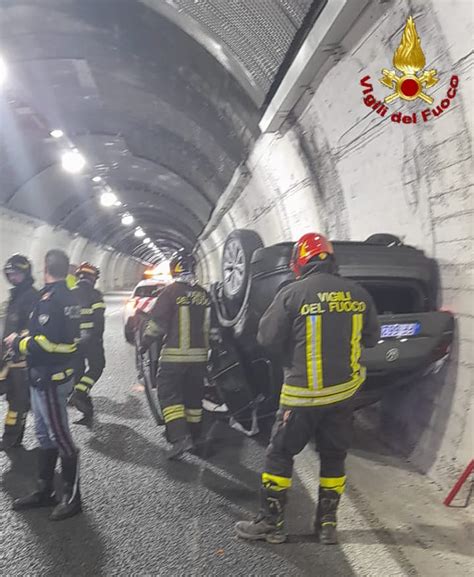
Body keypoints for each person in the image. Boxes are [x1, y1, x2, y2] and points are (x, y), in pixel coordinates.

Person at [235, 233, 380, 544]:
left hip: (302, 396)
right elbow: (371, 338)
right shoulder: (358, 294)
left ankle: (271, 523)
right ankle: (327, 525)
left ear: (300, 263)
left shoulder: (292, 293)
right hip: (343, 396)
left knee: (280, 454)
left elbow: (267, 338)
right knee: (333, 456)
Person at [4, 249, 83, 521]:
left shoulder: (52, 299)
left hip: (50, 378)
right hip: (42, 377)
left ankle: (72, 498)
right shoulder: (67, 297)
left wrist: (18, 342)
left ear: (45, 268)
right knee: (44, 435)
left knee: (61, 438)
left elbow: (50, 344)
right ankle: (45, 490)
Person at [141, 249, 216, 459]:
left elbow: (157, 324)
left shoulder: (171, 292)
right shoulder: (204, 294)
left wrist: (145, 343)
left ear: (175, 268)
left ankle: (179, 436)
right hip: (199, 358)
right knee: (193, 397)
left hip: (174, 357)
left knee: (169, 395)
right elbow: (212, 327)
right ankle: (194, 437)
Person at [0, 255, 39, 451]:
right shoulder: (16, 295)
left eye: (17, 273)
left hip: (21, 361)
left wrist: (18, 339)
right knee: (13, 399)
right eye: (10, 274)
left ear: (26, 273)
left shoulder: (31, 296)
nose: (13, 277)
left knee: (18, 401)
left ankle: (12, 438)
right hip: (6, 357)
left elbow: (34, 328)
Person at [69, 262, 106, 424]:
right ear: (93, 278)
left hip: (73, 341)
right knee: (97, 366)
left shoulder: (70, 294)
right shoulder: (95, 294)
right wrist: (97, 337)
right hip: (91, 339)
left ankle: (86, 410)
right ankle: (80, 393)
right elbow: (99, 319)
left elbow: (67, 320)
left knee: (78, 371)